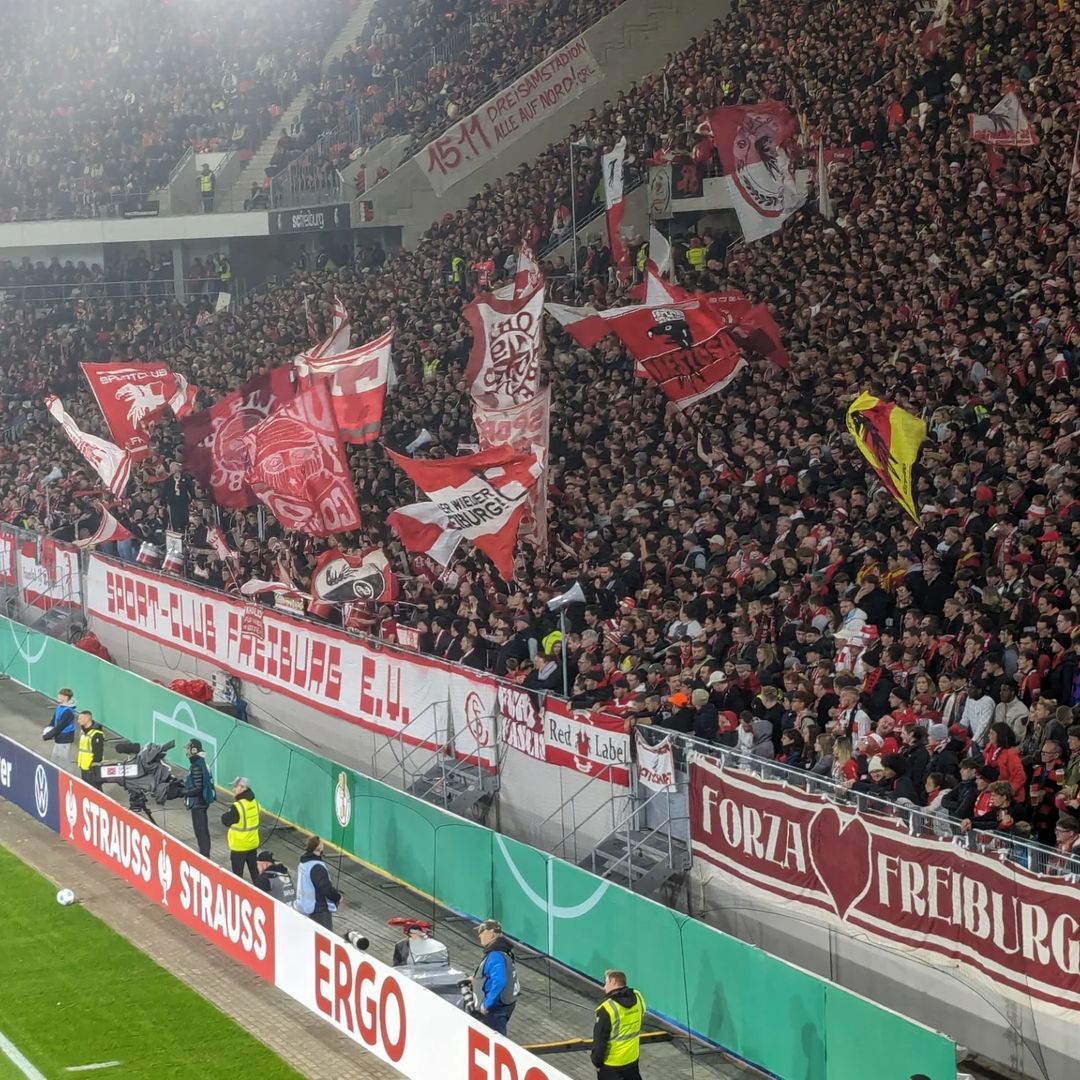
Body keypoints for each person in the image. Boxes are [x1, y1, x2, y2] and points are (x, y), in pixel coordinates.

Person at [591, 969, 646, 1079]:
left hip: (611, 1066)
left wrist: (597, 1062)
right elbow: (642, 1012)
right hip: (632, 1061)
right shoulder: (638, 997)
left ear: (613, 982)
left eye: (606, 983)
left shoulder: (606, 1009)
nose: (604, 987)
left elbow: (600, 1041)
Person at [470, 919, 520, 1036]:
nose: (479, 935)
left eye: (482, 932)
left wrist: (486, 1005)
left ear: (491, 934)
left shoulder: (495, 955)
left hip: (495, 1009)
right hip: (503, 1005)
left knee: (494, 1039)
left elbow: (500, 981)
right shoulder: (505, 952)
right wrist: (476, 980)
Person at [294, 835, 342, 930]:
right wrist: (338, 897)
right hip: (319, 910)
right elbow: (326, 889)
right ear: (319, 849)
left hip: (303, 907)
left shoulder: (303, 863)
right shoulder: (317, 867)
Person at [221, 776, 260, 880]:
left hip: (239, 846)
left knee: (237, 877)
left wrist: (227, 813)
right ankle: (260, 889)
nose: (233, 789)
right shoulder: (255, 803)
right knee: (255, 873)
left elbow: (226, 821)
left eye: (235, 786)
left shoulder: (238, 806)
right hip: (252, 844)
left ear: (243, 788)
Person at [181, 739, 214, 857]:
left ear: (194, 750)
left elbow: (198, 788)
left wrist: (182, 792)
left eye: (188, 749)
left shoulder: (196, 766)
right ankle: (204, 854)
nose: (187, 751)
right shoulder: (201, 763)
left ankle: (205, 856)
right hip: (201, 803)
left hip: (198, 804)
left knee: (201, 832)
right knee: (202, 831)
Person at [42, 688, 77, 763]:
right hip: (58, 738)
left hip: (65, 740)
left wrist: (48, 735)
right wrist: (49, 728)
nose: (58, 697)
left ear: (66, 697)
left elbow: (60, 726)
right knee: (54, 761)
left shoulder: (68, 711)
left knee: (62, 762)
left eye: (60, 695)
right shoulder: (59, 707)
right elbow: (53, 721)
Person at [75, 710, 105, 789]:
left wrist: (92, 768)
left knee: (95, 789)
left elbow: (98, 754)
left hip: (92, 769)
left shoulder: (96, 734)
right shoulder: (83, 731)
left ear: (87, 719)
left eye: (80, 719)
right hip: (84, 767)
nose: (78, 721)